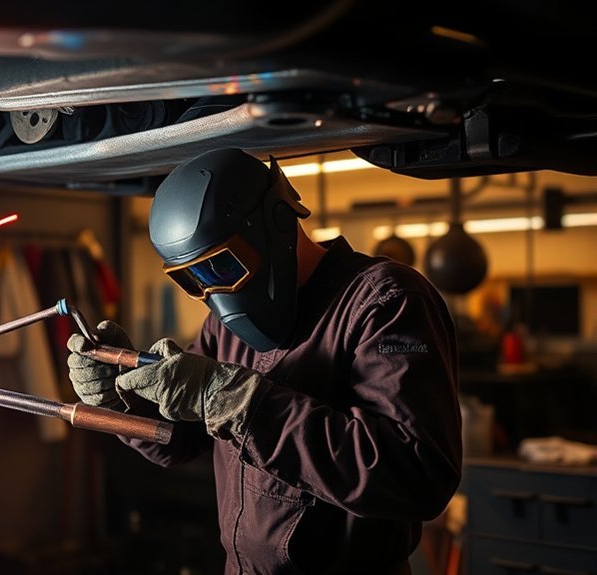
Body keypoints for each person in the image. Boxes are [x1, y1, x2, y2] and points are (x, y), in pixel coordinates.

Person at [67, 149, 462, 574]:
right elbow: (178, 439)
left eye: (220, 266)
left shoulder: (385, 302)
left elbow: (417, 476)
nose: (213, 293)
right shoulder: (223, 328)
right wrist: (125, 398)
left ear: (275, 223)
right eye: (193, 278)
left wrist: (240, 403)